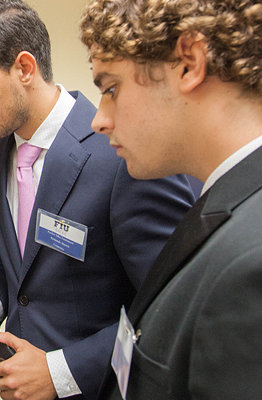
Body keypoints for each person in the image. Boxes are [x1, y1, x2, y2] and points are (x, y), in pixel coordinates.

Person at [0, 1, 196, 399]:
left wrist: (61, 371)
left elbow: (172, 307)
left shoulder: (124, 154)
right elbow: (15, 261)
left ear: (24, 68)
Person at [80, 1, 262, 398]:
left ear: (189, 64)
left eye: (111, 89)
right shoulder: (222, 205)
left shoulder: (252, 262)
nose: (99, 119)